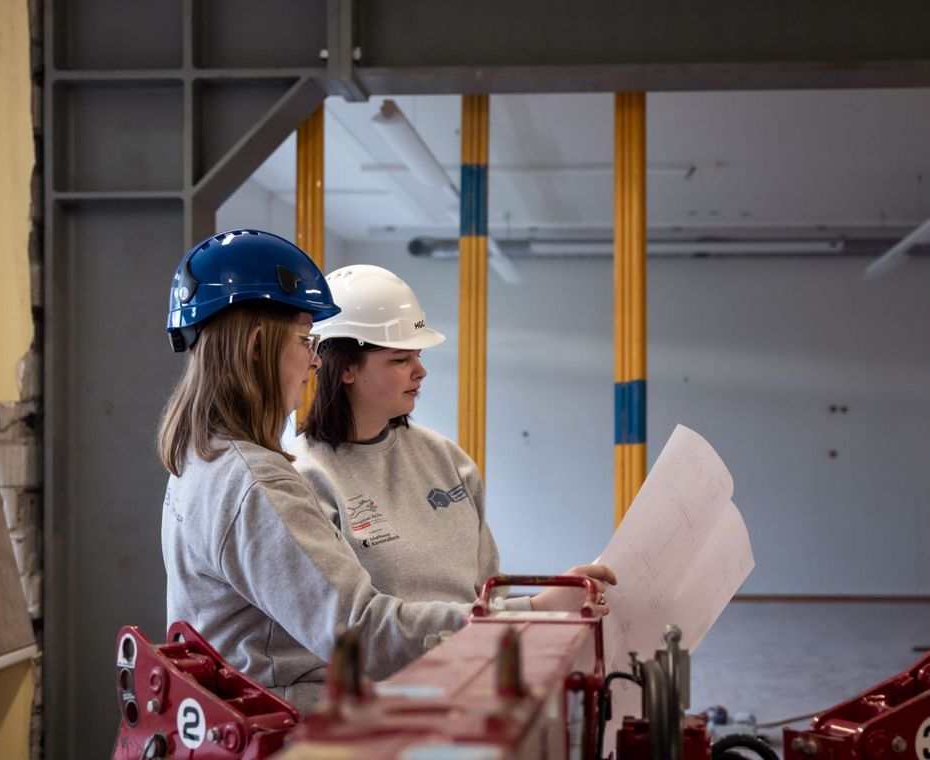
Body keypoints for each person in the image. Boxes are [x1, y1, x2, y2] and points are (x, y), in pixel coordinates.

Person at [158, 231, 611, 713]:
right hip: (292, 730)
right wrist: (531, 614)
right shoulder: (256, 482)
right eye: (304, 340)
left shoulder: (202, 460)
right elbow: (362, 633)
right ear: (256, 347)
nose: (315, 360)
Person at [287, 264, 615, 613]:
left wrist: (553, 603)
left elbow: (490, 597)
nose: (420, 370)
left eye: (419, 355)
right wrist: (537, 608)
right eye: (400, 359)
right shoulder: (307, 479)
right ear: (345, 368)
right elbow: (354, 626)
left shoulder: (447, 460)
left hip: (472, 661)